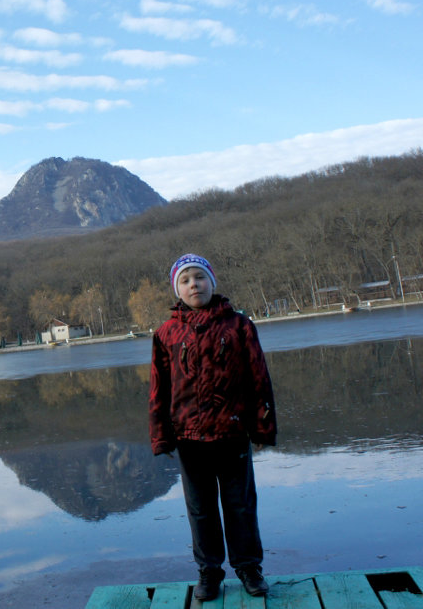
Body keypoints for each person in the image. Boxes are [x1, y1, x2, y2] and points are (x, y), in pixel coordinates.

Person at [148, 253, 276, 602]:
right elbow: (159, 389)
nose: (194, 284)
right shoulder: (166, 333)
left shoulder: (239, 325)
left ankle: (249, 568)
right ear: (178, 288)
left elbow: (258, 379)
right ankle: (209, 573)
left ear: (212, 282)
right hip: (189, 438)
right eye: (186, 279)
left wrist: (262, 428)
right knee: (201, 510)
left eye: (199, 277)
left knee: (241, 506)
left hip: (233, 432)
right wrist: (161, 436)